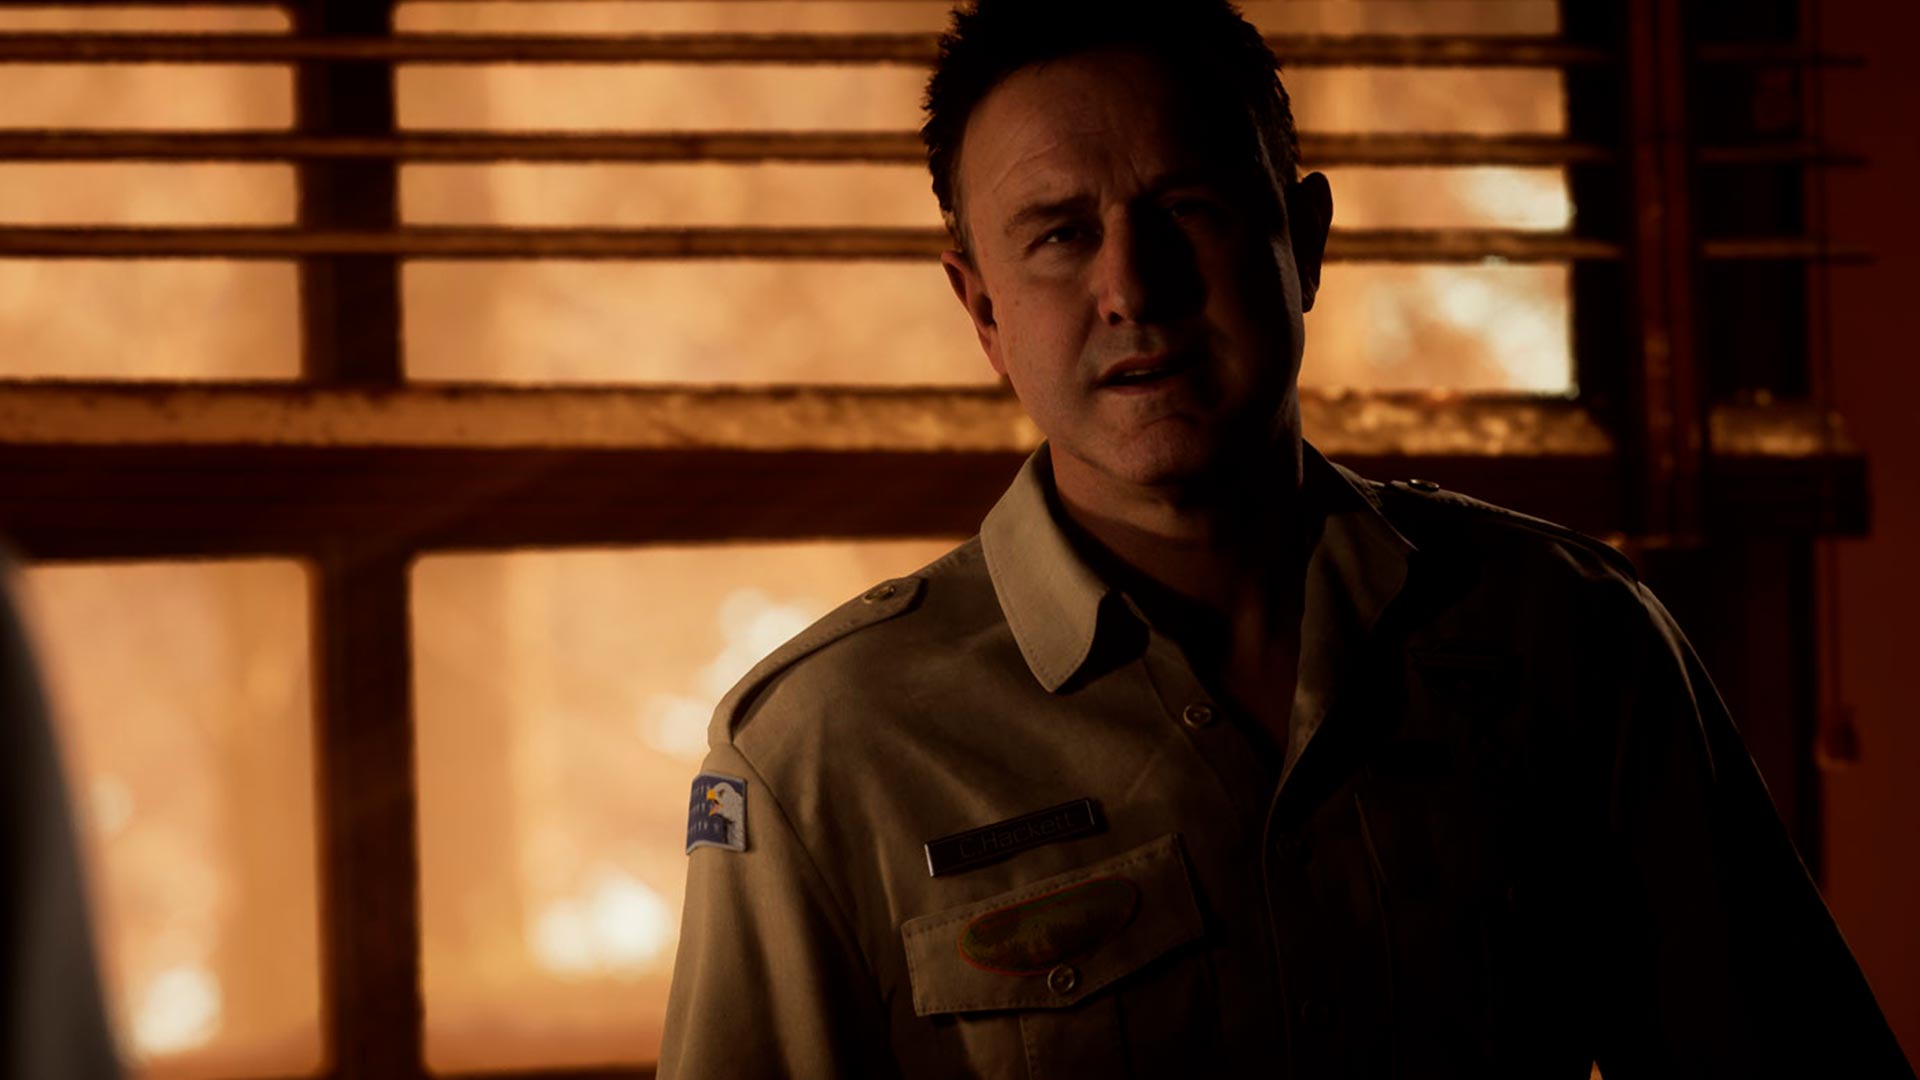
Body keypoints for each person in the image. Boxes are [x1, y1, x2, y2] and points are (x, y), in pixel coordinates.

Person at [660, 2, 1913, 1076]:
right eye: (1059, 235)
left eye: (1188, 208)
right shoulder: (826, 755)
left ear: (1302, 242)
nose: (1132, 288)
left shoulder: (1572, 641)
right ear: (982, 309)